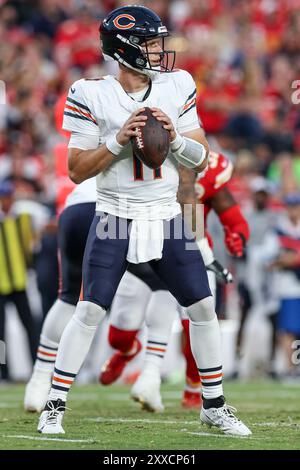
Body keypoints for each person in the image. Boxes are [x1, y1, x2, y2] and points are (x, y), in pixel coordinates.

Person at [37, 5, 251, 436]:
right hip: (115, 212)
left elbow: (202, 156)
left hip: (166, 212)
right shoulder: (90, 92)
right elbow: (77, 170)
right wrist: (118, 141)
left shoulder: (178, 85)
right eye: (151, 43)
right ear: (125, 49)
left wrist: (173, 140)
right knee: (91, 309)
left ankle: (214, 403)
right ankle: (54, 404)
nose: (159, 51)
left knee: (203, 305)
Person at [100, 151, 249, 411]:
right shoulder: (131, 155)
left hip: (189, 250)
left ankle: (194, 386)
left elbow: (226, 205)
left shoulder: (204, 163)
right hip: (140, 250)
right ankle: (127, 350)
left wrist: (237, 231)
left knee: (197, 324)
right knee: (119, 334)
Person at [0, 180, 38, 381]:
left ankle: (37, 367)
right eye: (4, 197)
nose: (7, 201)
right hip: (1, 283)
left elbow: (32, 242)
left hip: (20, 281)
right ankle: (3, 372)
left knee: (30, 326)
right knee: (0, 334)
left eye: (9, 196)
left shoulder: (23, 218)